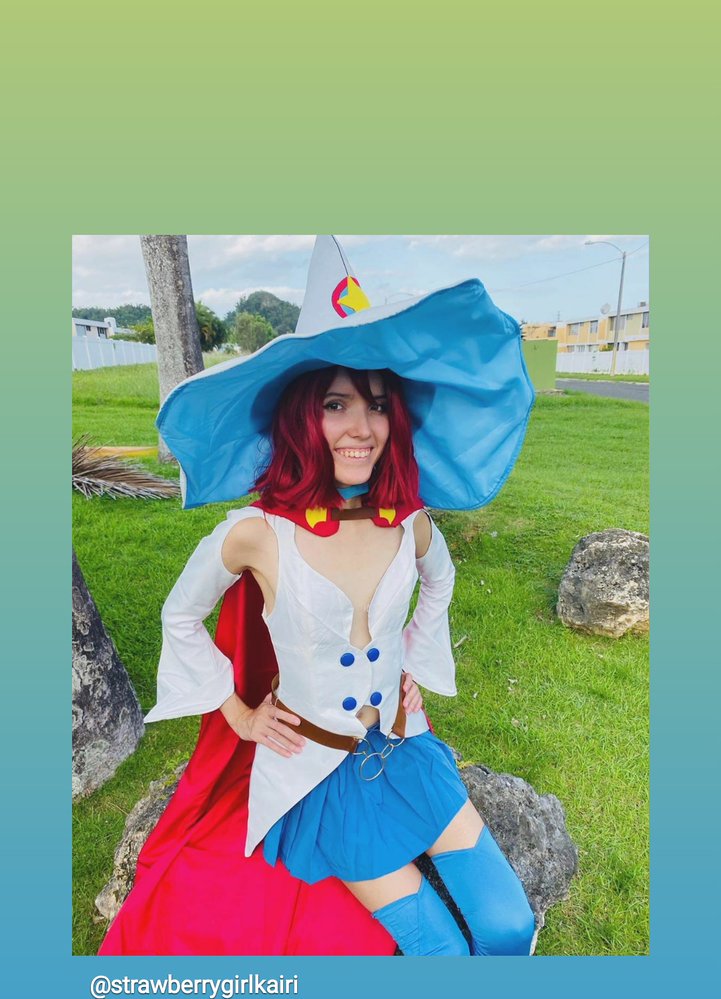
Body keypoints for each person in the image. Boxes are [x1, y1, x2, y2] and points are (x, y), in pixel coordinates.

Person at [98, 235, 536, 957]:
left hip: (407, 752)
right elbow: (179, 614)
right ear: (304, 415)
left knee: (509, 927)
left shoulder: (410, 521)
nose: (361, 427)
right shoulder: (256, 534)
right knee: (442, 952)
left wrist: (414, 667)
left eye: (377, 405)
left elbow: (441, 580)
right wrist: (239, 715)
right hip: (320, 775)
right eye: (337, 404)